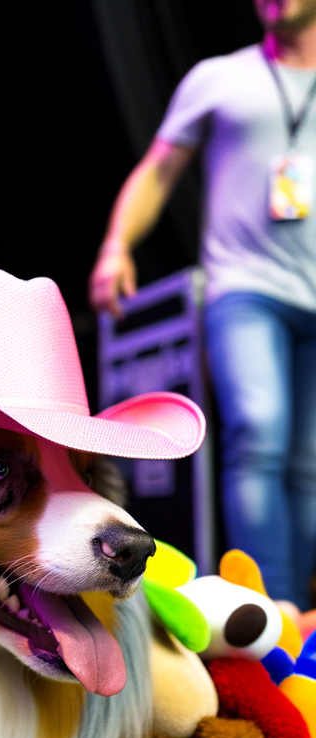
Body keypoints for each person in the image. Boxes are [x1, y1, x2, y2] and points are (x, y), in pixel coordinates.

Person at [89, 0, 316, 612]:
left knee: (309, 461)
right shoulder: (219, 77)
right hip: (245, 287)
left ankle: (301, 613)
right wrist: (117, 246)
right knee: (258, 430)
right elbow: (158, 172)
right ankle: (276, 610)